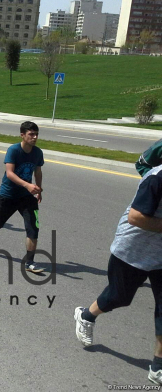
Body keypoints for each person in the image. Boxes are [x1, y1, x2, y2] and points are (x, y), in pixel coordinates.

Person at [74, 163, 162, 385]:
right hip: (132, 250)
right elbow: (136, 217)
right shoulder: (157, 178)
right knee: (119, 297)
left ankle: (158, 367)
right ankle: (86, 315)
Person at [0, 121, 45, 273]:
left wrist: (38, 189)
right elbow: (9, 173)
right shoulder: (14, 150)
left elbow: (37, 171)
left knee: (33, 228)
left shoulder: (38, 152)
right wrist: (27, 185)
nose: (35, 137)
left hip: (27, 196)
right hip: (8, 195)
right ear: (22, 135)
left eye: (36, 134)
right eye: (31, 134)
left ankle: (29, 262)